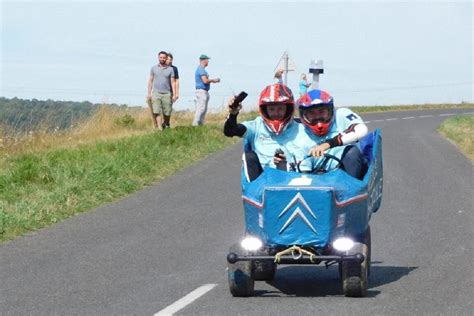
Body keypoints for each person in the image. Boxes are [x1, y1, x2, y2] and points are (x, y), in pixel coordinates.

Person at [224, 83, 313, 181]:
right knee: (249, 156)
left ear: (288, 109)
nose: (276, 113)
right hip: (261, 185)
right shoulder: (256, 125)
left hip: (294, 180)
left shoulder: (302, 130)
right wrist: (233, 114)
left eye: (280, 109)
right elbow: (230, 131)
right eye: (271, 109)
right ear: (265, 110)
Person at [297, 89, 369, 179]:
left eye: (321, 111)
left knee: (352, 152)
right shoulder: (298, 130)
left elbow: (361, 130)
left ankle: (348, 191)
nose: (318, 117)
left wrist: (328, 144)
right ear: (304, 116)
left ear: (330, 111)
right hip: (313, 176)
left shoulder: (341, 114)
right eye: (311, 113)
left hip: (345, 173)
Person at [147, 51, 176, 129]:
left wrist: (174, 94)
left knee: (167, 112)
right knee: (157, 111)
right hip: (156, 93)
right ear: (158, 58)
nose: (162, 59)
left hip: (167, 93)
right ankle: (160, 128)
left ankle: (166, 124)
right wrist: (149, 93)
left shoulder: (170, 69)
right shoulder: (153, 68)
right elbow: (150, 80)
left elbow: (173, 82)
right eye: (161, 57)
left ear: (166, 58)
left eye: (164, 57)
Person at [193, 54, 220, 126]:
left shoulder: (202, 70)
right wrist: (213, 80)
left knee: (203, 109)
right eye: (207, 60)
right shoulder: (201, 69)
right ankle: (195, 125)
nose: (208, 61)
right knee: (201, 109)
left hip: (203, 91)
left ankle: (200, 125)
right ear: (203, 60)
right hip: (202, 91)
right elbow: (205, 81)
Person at [164, 52, 179, 129]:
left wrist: (176, 93)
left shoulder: (174, 68)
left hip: (171, 91)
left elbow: (177, 81)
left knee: (168, 108)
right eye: (168, 59)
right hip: (162, 90)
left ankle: (167, 123)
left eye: (171, 59)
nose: (169, 61)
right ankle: (162, 124)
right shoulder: (161, 68)